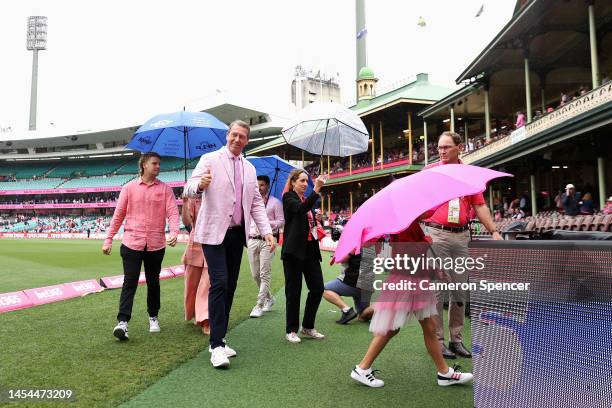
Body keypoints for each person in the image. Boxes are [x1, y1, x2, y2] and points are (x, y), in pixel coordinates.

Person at [185, 120, 274, 369]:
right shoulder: (210, 159)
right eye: (234, 135)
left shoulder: (249, 168)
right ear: (227, 136)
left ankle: (221, 338)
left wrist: (266, 232)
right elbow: (188, 187)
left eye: (242, 137)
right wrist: (200, 185)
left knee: (231, 285)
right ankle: (215, 346)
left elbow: (256, 203)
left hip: (237, 234)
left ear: (246, 141)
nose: (237, 140)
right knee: (220, 282)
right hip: (213, 233)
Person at [350, 224, 473, 388]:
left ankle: (444, 373)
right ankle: (362, 368)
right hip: (407, 281)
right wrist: (431, 257)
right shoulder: (405, 226)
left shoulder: (410, 224)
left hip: (413, 280)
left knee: (428, 327)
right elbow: (410, 256)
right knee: (391, 328)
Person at [422, 131, 502, 360]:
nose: (442, 151)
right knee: (437, 290)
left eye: (447, 147)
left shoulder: (468, 175)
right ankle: (437, 341)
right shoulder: (430, 172)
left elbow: (480, 206)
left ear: (459, 148)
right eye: (439, 147)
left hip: (462, 236)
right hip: (437, 234)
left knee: (459, 289)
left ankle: (456, 339)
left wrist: (494, 231)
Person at [102, 152, 179, 341]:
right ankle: (123, 322)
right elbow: (118, 214)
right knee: (130, 282)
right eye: (155, 163)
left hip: (156, 244)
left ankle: (153, 317)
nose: (158, 166)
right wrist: (108, 238)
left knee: (154, 282)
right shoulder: (128, 188)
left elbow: (173, 213)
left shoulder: (165, 190)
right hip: (131, 243)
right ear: (144, 165)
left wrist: (175, 232)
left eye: (159, 163)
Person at [281, 169, 327, 343]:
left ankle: (307, 327)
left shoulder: (306, 201)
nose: (305, 184)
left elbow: (305, 216)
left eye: (306, 181)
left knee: (317, 288)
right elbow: (300, 210)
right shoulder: (288, 197)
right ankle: (291, 330)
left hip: (310, 251)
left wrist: (317, 219)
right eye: (301, 180)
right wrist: (316, 190)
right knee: (294, 292)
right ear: (293, 182)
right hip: (294, 252)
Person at [247, 175, 284, 318]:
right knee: (255, 274)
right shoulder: (251, 202)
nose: (259, 187)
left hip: (268, 240)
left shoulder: (275, 203)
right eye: (257, 185)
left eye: (262, 185)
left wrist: (268, 223)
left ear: (267, 186)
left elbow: (281, 221)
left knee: (264, 273)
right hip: (252, 240)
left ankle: (259, 304)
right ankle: (270, 297)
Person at [323, 243, 376, 324]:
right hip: (367, 286)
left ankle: (347, 310)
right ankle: (381, 308)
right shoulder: (371, 245)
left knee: (322, 289)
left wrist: (342, 252)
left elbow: (341, 259)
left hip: (352, 282)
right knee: (362, 316)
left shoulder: (354, 244)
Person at [181, 195, 210, 335]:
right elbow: (187, 222)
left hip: (213, 242)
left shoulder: (218, 195)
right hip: (196, 243)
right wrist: (185, 203)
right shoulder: (194, 198)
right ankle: (194, 313)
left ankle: (206, 319)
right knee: (192, 284)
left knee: (208, 284)